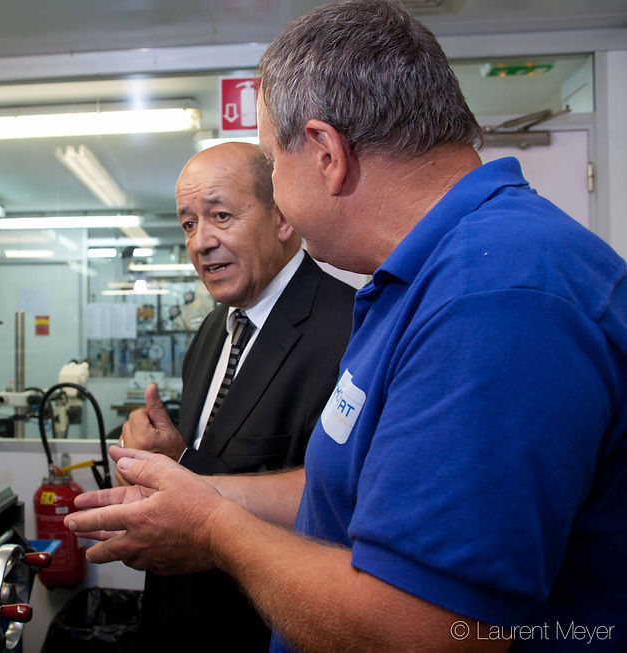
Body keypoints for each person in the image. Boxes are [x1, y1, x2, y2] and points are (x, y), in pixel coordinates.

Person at [66, 1, 627, 652]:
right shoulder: (424, 280)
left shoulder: (496, 297)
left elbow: (423, 634)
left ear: (327, 153)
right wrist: (197, 489)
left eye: (274, 165)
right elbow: (356, 480)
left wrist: (212, 527)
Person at [121, 142, 354, 652]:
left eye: (220, 216)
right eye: (187, 224)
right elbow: (211, 460)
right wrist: (168, 454)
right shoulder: (213, 329)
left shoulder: (350, 327)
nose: (201, 242)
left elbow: (331, 503)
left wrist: (180, 462)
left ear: (284, 219)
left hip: (263, 624)